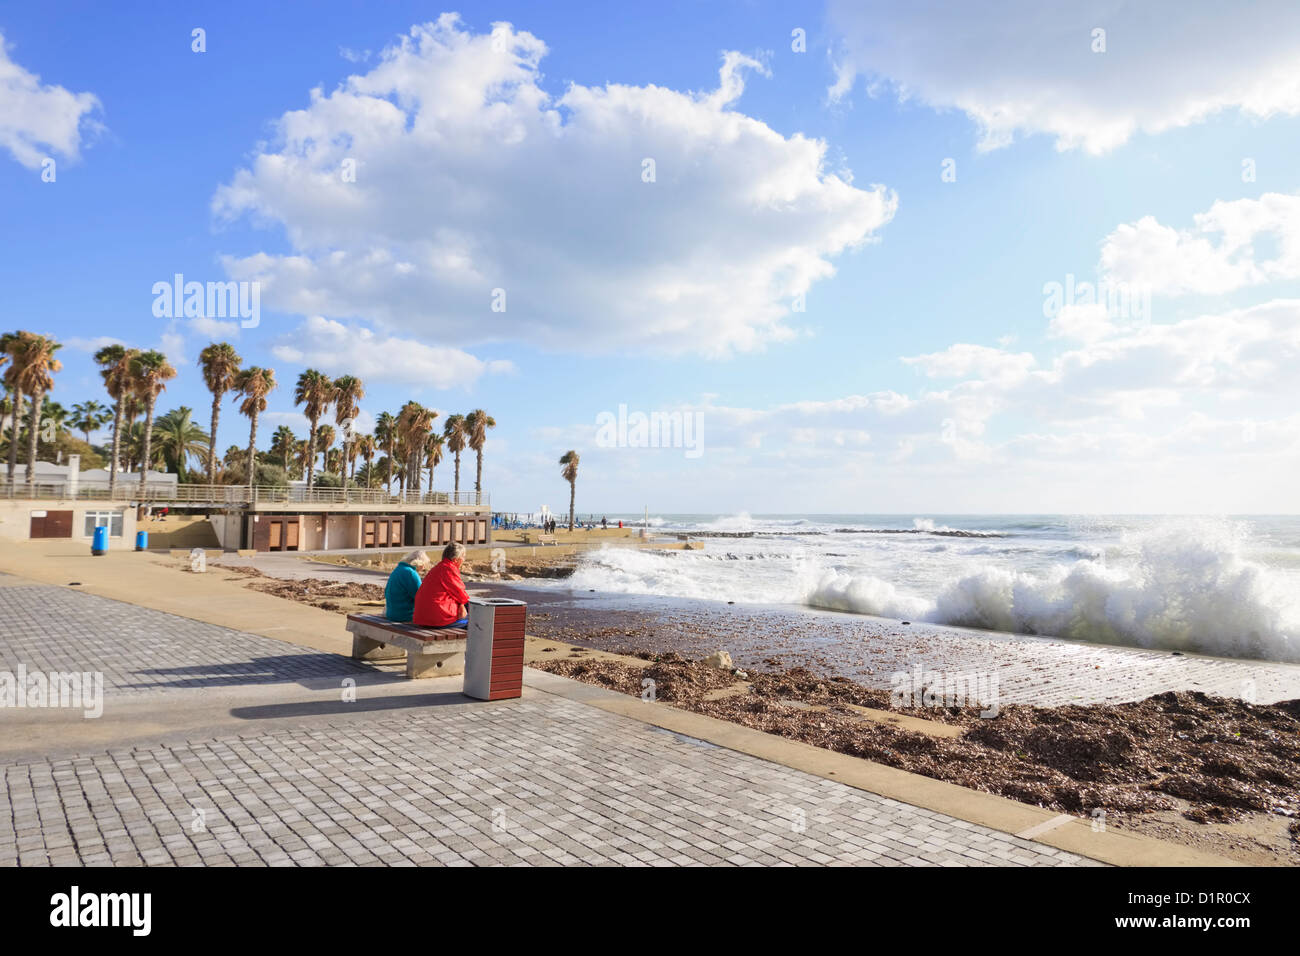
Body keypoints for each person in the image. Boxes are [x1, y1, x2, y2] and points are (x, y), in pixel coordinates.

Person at [413, 542, 470, 628]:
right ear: (455, 559)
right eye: (463, 556)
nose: (464, 560)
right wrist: (463, 605)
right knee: (476, 621)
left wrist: (461, 604)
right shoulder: (449, 569)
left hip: (422, 618)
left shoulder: (438, 567)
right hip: (437, 619)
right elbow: (460, 594)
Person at [384, 550, 430, 622]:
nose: (423, 568)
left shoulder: (398, 569)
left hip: (391, 613)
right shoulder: (411, 573)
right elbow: (421, 597)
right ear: (419, 563)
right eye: (423, 564)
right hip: (405, 615)